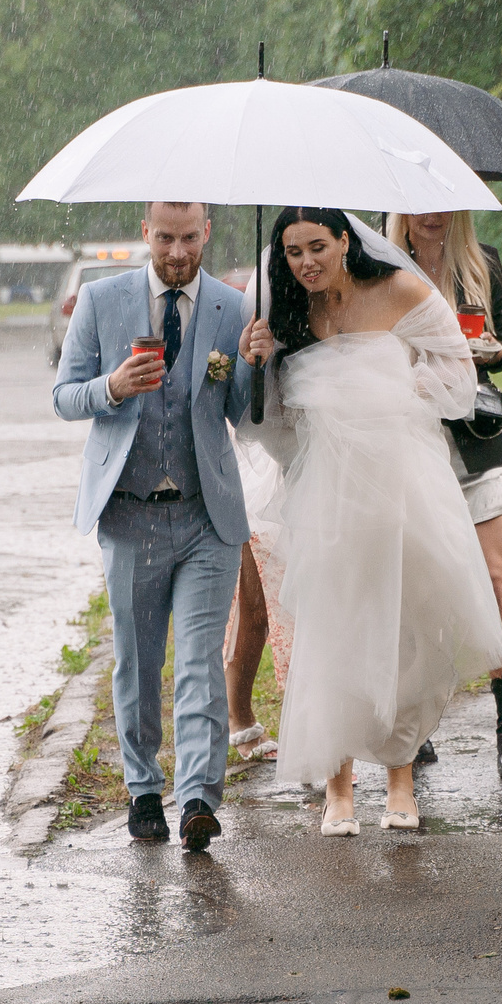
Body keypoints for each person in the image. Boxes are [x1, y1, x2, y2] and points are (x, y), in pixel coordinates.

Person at [239, 207, 502, 835]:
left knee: (401, 629)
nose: (306, 262)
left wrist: (389, 397)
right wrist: (258, 361)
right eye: (294, 251)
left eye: (317, 246)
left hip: (401, 483)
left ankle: (400, 779)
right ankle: (337, 789)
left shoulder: (399, 289)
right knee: (334, 629)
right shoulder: (287, 319)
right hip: (327, 495)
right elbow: (268, 423)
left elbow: (455, 371)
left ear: (344, 242)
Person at [52, 202, 256, 852]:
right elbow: (63, 395)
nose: (176, 252)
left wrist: (253, 362)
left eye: (188, 238)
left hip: (204, 513)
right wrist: (111, 386)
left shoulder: (231, 307)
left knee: (199, 660)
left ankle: (198, 795)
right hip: (129, 510)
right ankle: (143, 788)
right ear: (145, 233)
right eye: (164, 238)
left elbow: (243, 411)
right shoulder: (101, 299)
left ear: (207, 233)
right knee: (138, 662)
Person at [387, 209, 502, 778]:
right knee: (415, 585)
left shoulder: (483, 263)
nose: (433, 216)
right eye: (420, 205)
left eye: (443, 204)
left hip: (478, 432)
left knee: (499, 579)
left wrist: (492, 351)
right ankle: (417, 724)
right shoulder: (382, 267)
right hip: (415, 433)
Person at [216, 265, 287, 764]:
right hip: (257, 458)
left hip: (313, 448)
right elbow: (235, 398)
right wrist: (249, 360)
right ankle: (236, 715)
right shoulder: (260, 291)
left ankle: (310, 718)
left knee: (308, 602)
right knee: (257, 599)